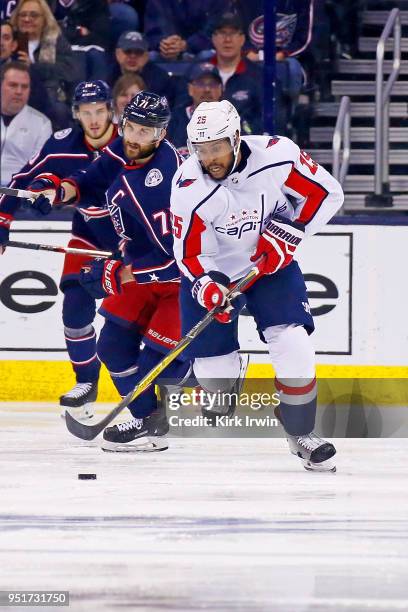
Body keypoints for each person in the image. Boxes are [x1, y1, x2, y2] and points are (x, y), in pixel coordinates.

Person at [170, 100, 344, 472]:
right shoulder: (188, 186)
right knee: (217, 386)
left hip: (271, 266)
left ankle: (301, 433)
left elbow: (326, 194)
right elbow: (189, 254)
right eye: (200, 150)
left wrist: (288, 233)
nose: (209, 158)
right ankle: (218, 384)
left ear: (235, 138)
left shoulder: (277, 155)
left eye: (216, 147)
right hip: (216, 271)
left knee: (294, 344)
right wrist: (208, 287)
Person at [30, 92, 191, 452]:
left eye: (144, 131)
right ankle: (148, 419)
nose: (133, 136)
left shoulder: (164, 184)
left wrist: (119, 274)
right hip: (139, 267)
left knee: (156, 364)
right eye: (130, 126)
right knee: (112, 347)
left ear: (161, 134)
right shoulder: (124, 147)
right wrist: (56, 191)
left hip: (179, 281)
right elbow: (90, 179)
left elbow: (176, 258)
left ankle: (197, 373)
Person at [0, 80, 119, 418]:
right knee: (75, 308)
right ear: (76, 114)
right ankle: (86, 383)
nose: (94, 119)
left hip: (138, 241)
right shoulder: (61, 145)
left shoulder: (132, 143)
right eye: (86, 112)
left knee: (149, 314)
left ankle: (186, 377)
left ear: (110, 110)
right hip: (89, 236)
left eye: (99, 111)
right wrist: (3, 222)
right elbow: (23, 181)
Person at [9, 0, 79, 126]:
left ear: (45, 19)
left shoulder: (56, 40)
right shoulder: (8, 40)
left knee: (60, 111)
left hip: (49, 95)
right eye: (22, 15)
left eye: (33, 15)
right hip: (11, 94)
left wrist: (34, 67)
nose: (27, 19)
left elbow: (70, 71)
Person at [209, 12, 263, 135]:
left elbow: (269, 119)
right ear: (213, 38)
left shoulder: (259, 77)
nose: (227, 40)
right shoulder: (197, 75)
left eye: (233, 34)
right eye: (222, 33)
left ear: (242, 39)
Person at [1, 61, 51, 185]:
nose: (19, 91)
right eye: (13, 85)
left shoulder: (42, 124)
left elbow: (38, 169)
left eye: (24, 87)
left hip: (16, 191)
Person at [167, 62, 222, 154]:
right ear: (190, 89)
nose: (207, 89)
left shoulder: (232, 118)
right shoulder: (174, 119)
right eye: (201, 84)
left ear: (220, 89)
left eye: (212, 84)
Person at [109, 31, 173, 103]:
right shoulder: (106, 76)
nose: (133, 56)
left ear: (147, 56)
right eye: (128, 51)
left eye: (138, 52)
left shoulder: (160, 79)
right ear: (117, 53)